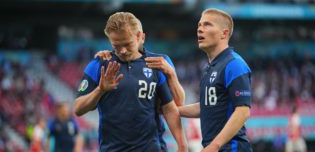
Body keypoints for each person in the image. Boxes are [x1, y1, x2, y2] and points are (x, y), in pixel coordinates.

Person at [74, 12, 187, 152]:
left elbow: (171, 107)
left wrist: (182, 145)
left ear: (139, 36)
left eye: (127, 44)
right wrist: (100, 90)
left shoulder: (158, 63)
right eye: (116, 45)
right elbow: (78, 108)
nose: (122, 50)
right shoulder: (99, 64)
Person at [179, 8, 253, 152]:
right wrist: (171, 110)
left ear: (224, 33)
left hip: (232, 148)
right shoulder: (210, 68)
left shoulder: (234, 64)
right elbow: (206, 107)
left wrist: (214, 145)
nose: (200, 29)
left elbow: (243, 111)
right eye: (199, 25)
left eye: (207, 25)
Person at [95, 50, 185, 152]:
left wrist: (171, 74)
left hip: (152, 142)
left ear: (140, 36)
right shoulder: (109, 60)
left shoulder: (161, 60)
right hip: (115, 145)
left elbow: (179, 103)